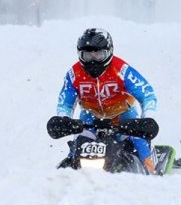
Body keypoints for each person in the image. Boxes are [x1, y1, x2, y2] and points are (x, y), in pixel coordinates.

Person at [55, 28, 159, 174]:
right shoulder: (73, 74)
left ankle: (152, 171)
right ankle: (62, 178)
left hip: (124, 118)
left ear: (108, 52)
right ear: (80, 54)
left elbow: (147, 94)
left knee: (140, 144)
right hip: (90, 119)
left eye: (98, 54)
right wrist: (63, 119)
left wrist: (148, 118)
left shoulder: (122, 70)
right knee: (75, 152)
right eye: (87, 55)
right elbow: (65, 102)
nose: (93, 60)